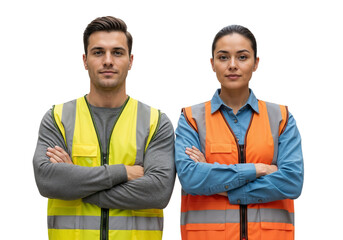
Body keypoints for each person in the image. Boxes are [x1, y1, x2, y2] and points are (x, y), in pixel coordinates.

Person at [33, 16, 175, 240]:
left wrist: (79, 185)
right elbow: (48, 180)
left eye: (117, 52)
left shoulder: (155, 122)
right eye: (98, 52)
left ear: (130, 60)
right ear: (85, 60)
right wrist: (124, 172)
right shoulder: (58, 118)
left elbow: (157, 191)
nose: (108, 60)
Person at [175, 25, 303, 240]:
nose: (232, 65)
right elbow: (191, 178)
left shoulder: (281, 118)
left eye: (242, 57)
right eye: (223, 57)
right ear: (212, 64)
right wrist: (259, 169)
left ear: (256, 63)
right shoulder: (192, 118)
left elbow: (291, 181)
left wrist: (221, 185)